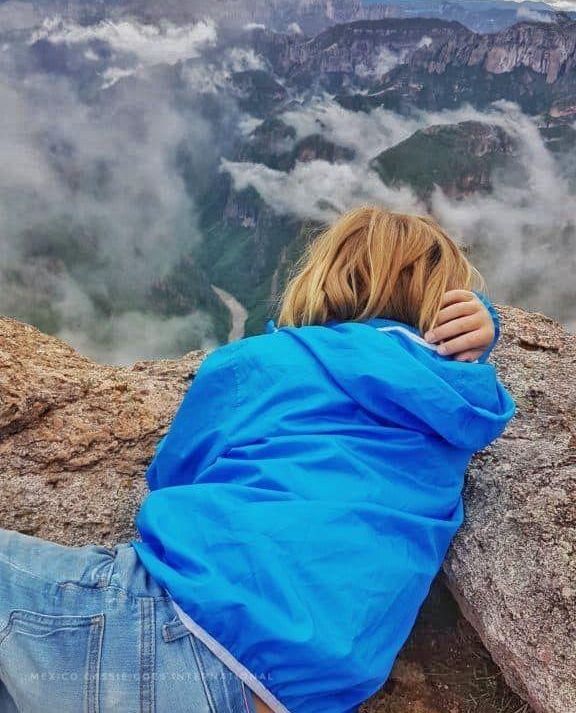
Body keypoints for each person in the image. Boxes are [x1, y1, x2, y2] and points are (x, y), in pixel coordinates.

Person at [0, 206, 515, 713]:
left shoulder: (265, 363)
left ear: (325, 274)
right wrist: (481, 322)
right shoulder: (459, 410)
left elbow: (172, 472)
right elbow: (443, 363)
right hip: (292, 697)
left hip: (178, 639)